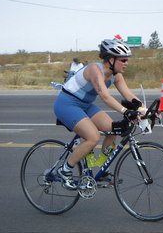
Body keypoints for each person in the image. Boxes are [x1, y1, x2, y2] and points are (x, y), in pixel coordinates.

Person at [53, 38, 145, 190]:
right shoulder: (95, 70)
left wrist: (145, 110)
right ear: (111, 60)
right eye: (123, 59)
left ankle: (102, 168)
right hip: (67, 104)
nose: (126, 63)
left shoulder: (117, 74)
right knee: (93, 137)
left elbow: (128, 95)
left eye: (127, 59)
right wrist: (125, 111)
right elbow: (105, 96)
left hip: (85, 105)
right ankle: (65, 170)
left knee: (113, 129)